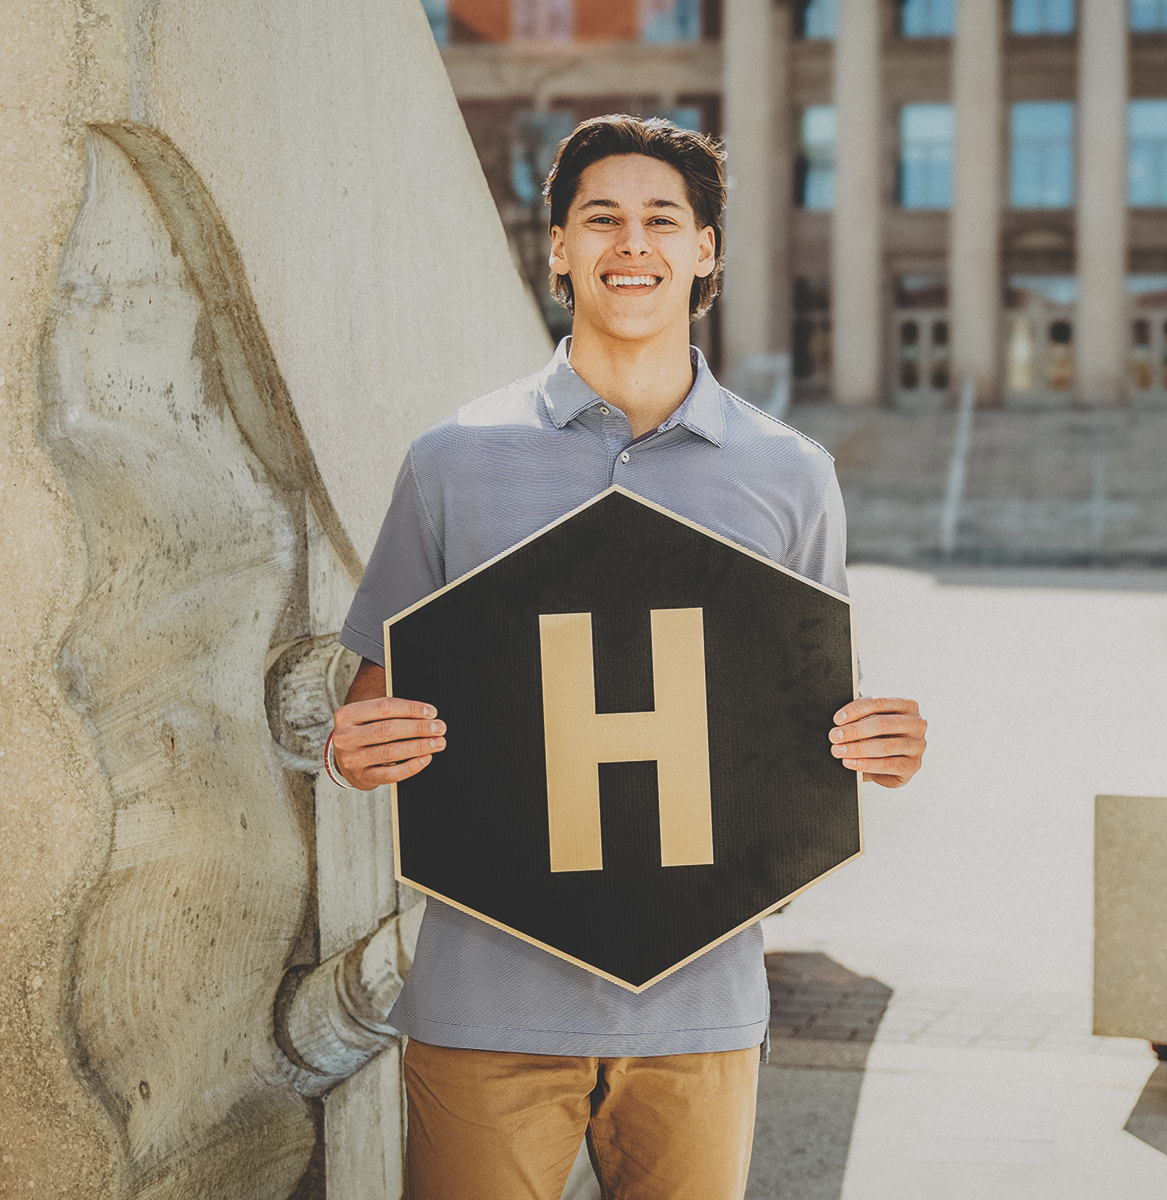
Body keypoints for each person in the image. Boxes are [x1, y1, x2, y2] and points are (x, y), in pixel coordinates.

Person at [329, 115, 927, 1200]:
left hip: (701, 1010)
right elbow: (374, 705)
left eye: (663, 218)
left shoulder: (791, 473)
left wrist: (874, 744)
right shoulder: (453, 462)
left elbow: (803, 714)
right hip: (486, 1006)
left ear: (706, 249)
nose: (632, 242)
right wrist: (358, 747)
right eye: (601, 218)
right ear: (558, 246)